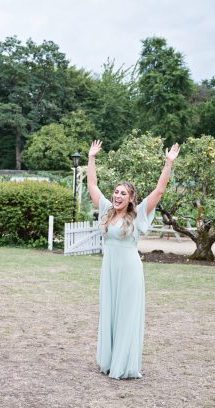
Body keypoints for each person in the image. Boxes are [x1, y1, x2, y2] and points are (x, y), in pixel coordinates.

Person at [86, 139, 180, 379]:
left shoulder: (138, 214)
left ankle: (123, 363)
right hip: (109, 269)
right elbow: (92, 186)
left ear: (130, 198)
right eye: (116, 192)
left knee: (126, 315)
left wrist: (168, 163)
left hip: (129, 271)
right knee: (109, 312)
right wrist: (91, 158)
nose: (117, 196)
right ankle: (108, 360)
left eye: (123, 193)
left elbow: (159, 191)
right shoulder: (107, 210)